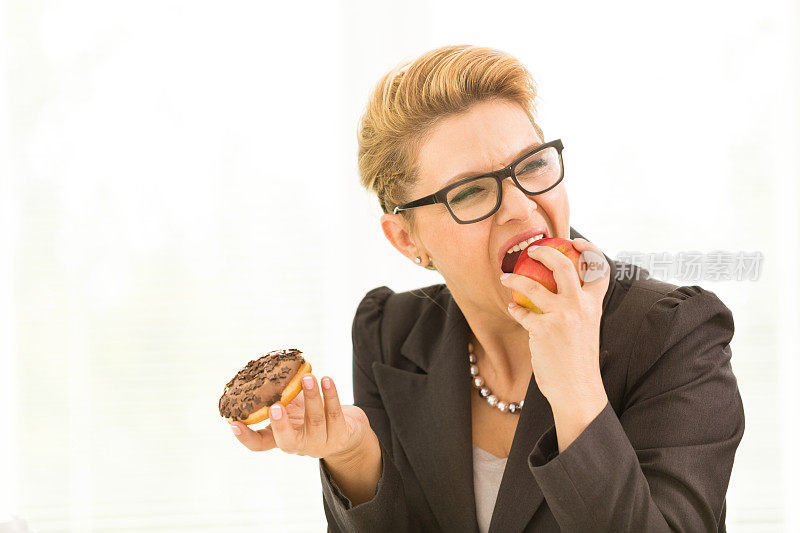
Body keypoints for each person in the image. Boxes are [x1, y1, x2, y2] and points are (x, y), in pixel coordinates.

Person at [229, 45, 745, 532]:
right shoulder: (388, 333)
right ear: (407, 238)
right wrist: (352, 455)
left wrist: (576, 388)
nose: (522, 207)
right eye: (472, 191)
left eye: (533, 165)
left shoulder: (676, 333)